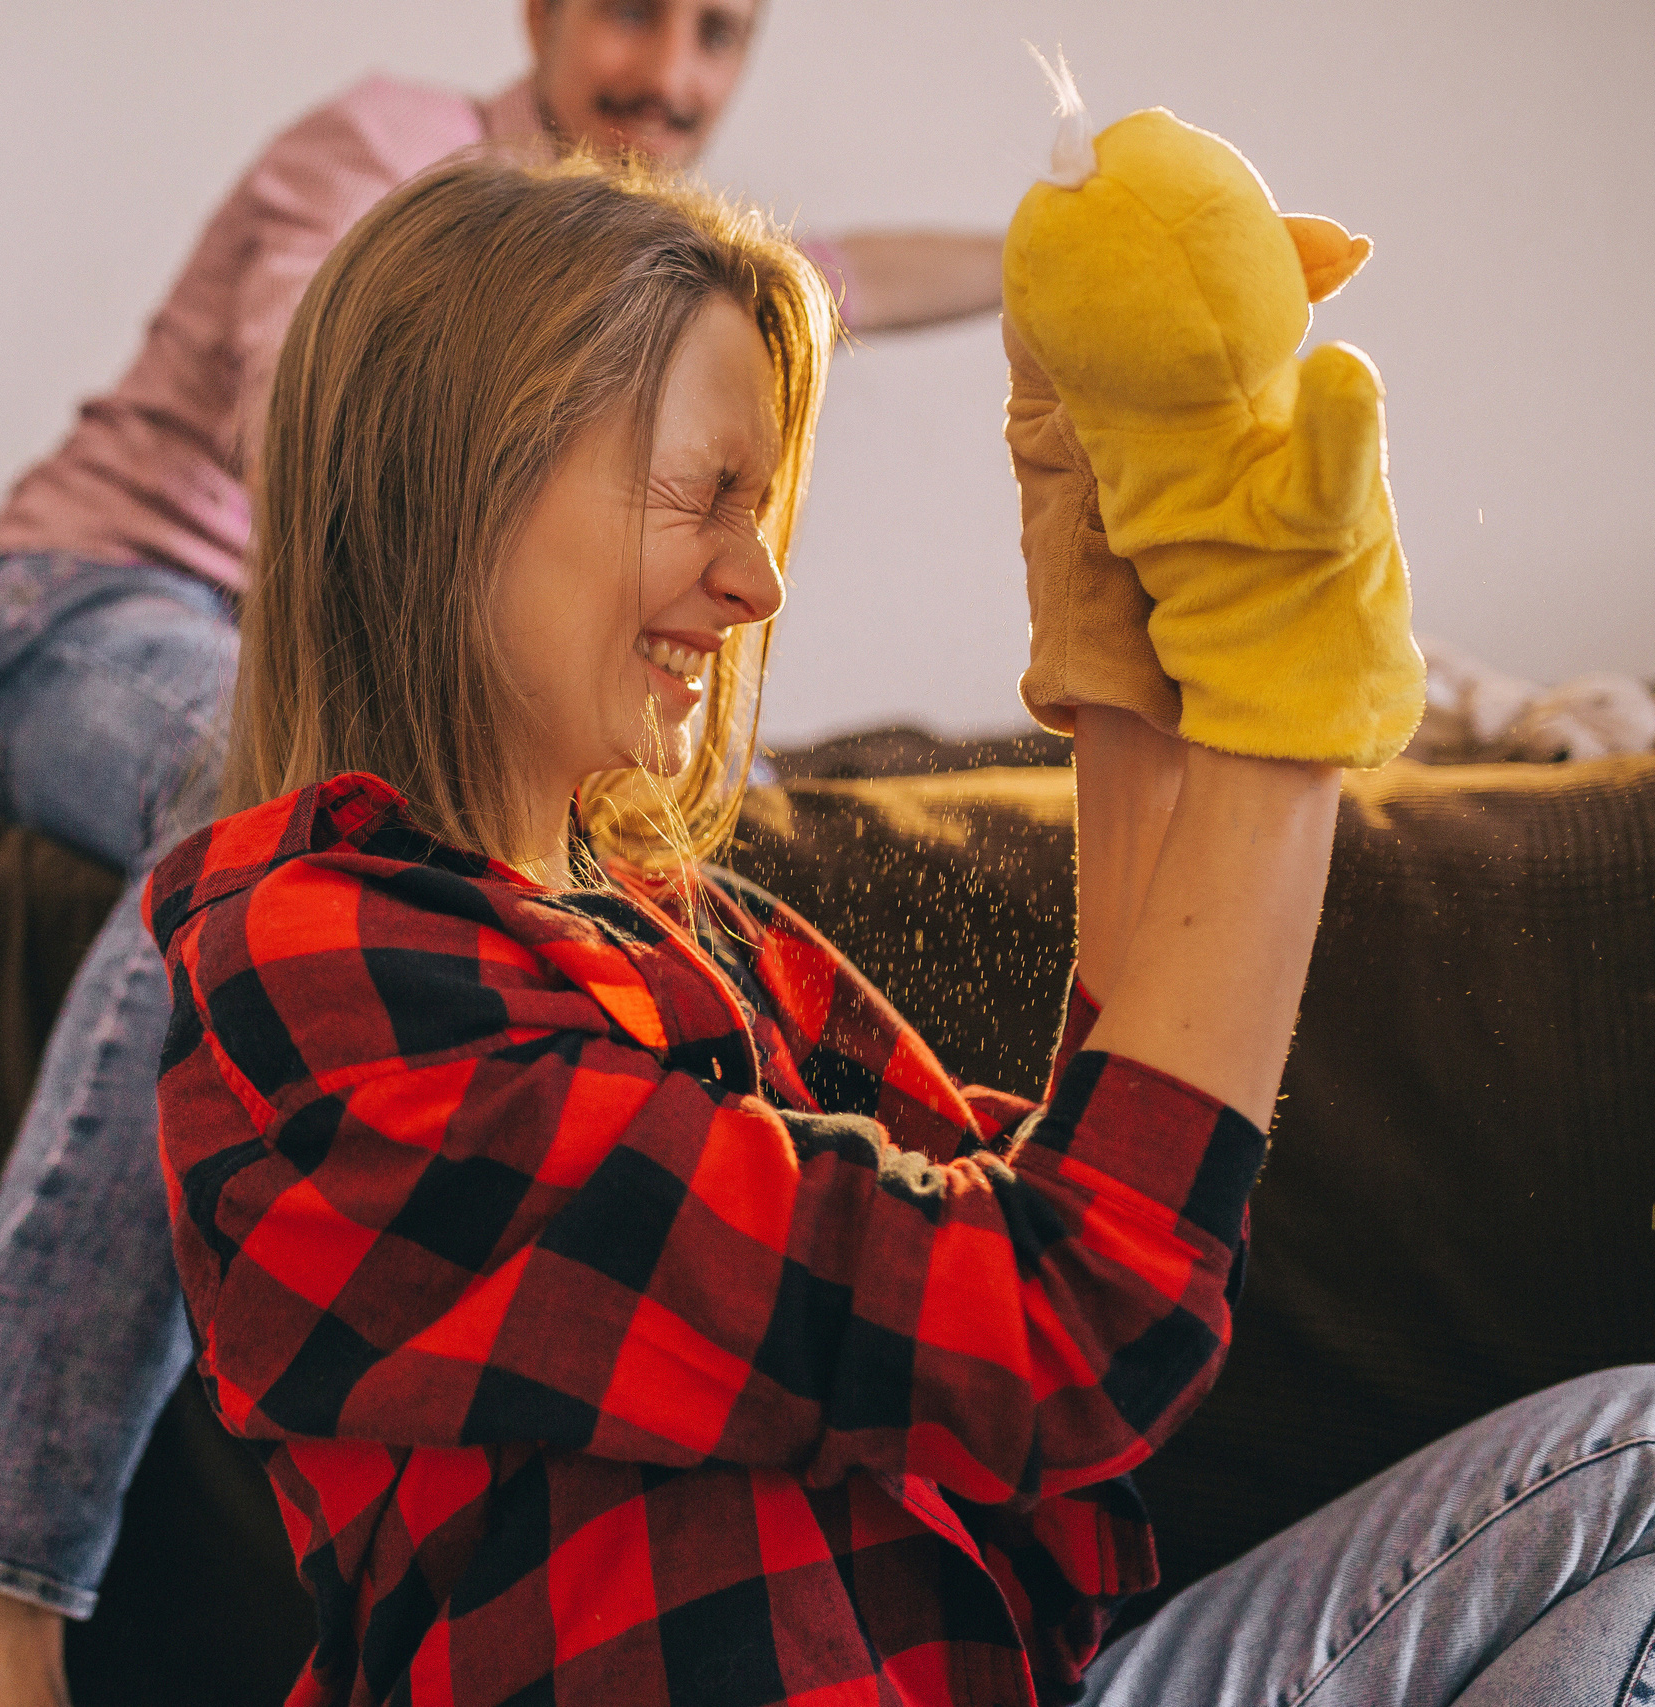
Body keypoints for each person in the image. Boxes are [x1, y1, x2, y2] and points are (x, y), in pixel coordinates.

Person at [148, 151, 1655, 1707]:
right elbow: (1073, 1320)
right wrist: (1284, 711)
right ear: (456, 484)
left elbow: (1065, 1242)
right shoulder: (319, 975)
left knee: (1637, 1455)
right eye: (703, 493)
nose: (758, 579)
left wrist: (1114, 610)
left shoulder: (700, 931)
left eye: (759, 506)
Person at [0, 5, 1007, 1700]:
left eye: (720, 34)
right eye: (633, 14)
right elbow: (336, 452)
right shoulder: (399, 149)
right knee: (249, 801)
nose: (673, 77)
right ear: (541, 14)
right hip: (103, 598)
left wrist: (1060, 255)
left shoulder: (636, 258)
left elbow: (847, 267)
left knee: (707, 805)